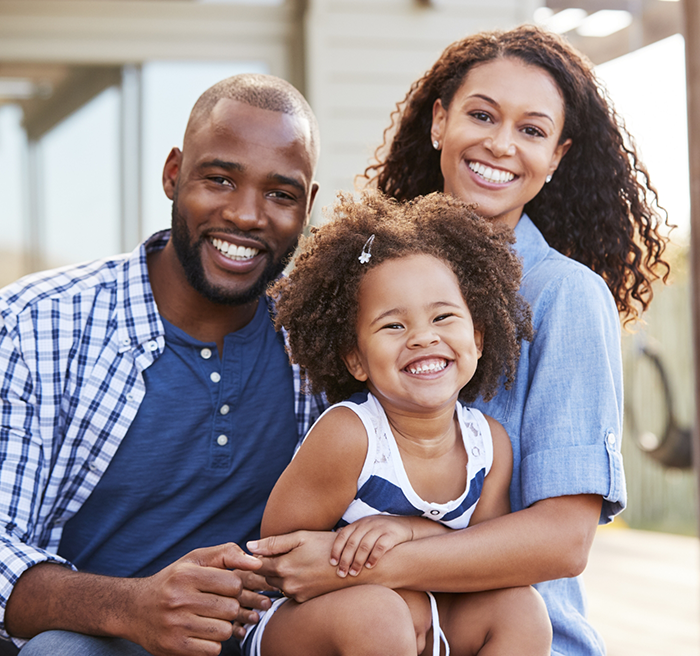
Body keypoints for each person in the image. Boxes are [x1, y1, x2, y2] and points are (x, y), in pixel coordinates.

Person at [247, 25, 672, 656]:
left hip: (511, 632)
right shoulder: (370, 273)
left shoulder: (565, 297)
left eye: (532, 130)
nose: (501, 144)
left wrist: (372, 558)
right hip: (364, 626)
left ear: (556, 156)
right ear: (440, 121)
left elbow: (563, 540)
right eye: (481, 115)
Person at [0, 73, 324, 656]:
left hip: (261, 639)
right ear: (174, 173)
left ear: (308, 206)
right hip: (98, 638)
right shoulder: (37, 325)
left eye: (281, 194)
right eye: (220, 179)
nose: (248, 215)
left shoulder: (319, 345)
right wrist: (132, 607)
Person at [243, 190, 550, 656]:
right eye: (393, 326)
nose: (424, 337)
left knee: (521, 608)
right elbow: (280, 558)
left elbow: (485, 561)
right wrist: (379, 577)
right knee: (380, 615)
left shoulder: (489, 445)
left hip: (429, 619)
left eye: (444, 316)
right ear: (356, 359)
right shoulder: (351, 436)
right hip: (311, 627)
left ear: (479, 336)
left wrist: (411, 532)